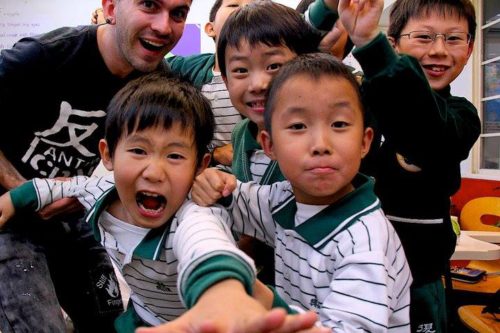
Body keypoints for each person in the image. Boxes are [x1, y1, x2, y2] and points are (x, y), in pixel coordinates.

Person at [0, 72, 328, 333]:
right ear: (108, 154)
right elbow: (55, 187)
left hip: (217, 316)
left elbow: (207, 247)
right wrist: (13, 201)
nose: (154, 171)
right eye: (139, 150)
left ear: (200, 165)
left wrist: (224, 294)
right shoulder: (98, 189)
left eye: (174, 155)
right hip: (146, 314)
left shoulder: (194, 213)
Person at [0, 0, 192, 331]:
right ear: (112, 7)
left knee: (108, 319)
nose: (164, 27)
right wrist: (23, 190)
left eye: (178, 13)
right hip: (8, 216)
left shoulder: (155, 85)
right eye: (149, 5)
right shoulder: (43, 56)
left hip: (69, 212)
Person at [193, 53, 412, 332]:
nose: (321, 144)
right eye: (298, 126)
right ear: (269, 145)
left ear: (364, 142)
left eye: (339, 124)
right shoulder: (284, 201)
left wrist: (266, 303)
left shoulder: (364, 242)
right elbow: (232, 199)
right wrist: (210, 182)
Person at [337, 0, 481, 331]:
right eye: (424, 37)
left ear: (470, 47)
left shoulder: (462, 115)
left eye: (454, 38)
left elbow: (427, 128)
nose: (440, 51)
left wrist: (371, 48)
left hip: (421, 282)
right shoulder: (363, 103)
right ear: (395, 43)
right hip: (355, 277)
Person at [192, 0, 323, 285]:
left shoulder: (323, 140)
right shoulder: (241, 133)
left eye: (274, 65)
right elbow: (248, 183)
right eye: (240, 71)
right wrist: (218, 181)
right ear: (225, 79)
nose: (258, 84)